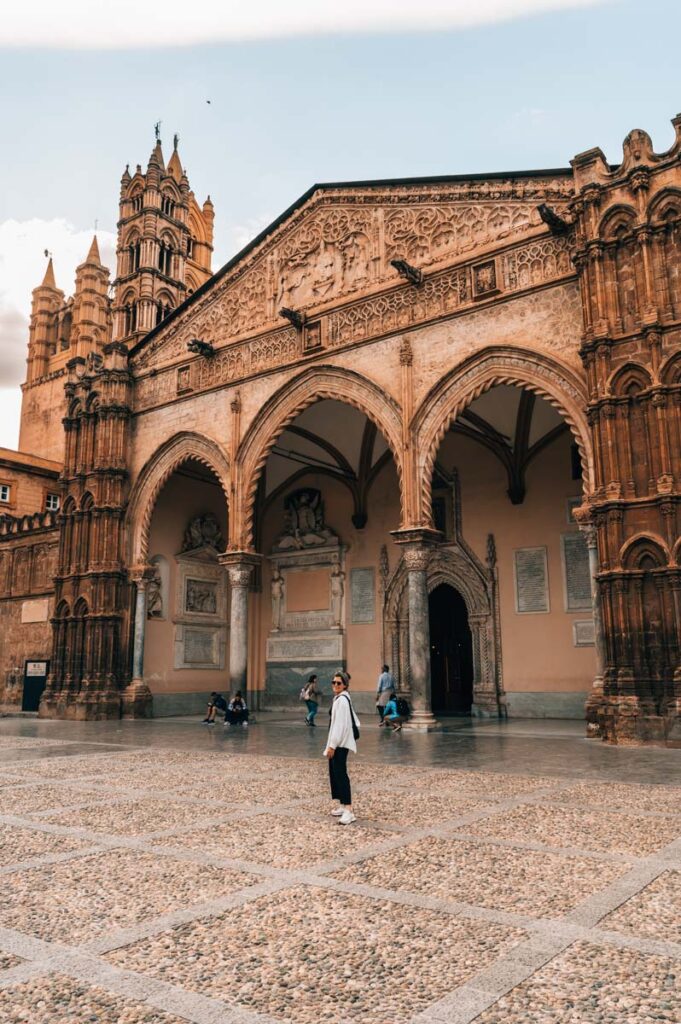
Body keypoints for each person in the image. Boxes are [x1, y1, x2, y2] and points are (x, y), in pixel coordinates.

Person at [324, 671, 359, 825]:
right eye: (334, 682)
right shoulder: (339, 699)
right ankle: (342, 805)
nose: (335, 685)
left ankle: (349, 810)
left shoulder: (343, 700)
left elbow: (339, 726)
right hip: (337, 742)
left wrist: (332, 745)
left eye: (339, 683)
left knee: (341, 774)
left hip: (340, 744)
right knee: (335, 773)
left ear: (345, 685)